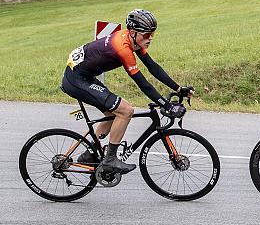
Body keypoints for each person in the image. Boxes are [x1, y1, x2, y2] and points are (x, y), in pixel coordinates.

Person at [61, 9, 192, 174]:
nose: (150, 38)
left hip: (83, 75)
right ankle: (109, 161)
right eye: (146, 35)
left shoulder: (133, 40)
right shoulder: (123, 47)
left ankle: (90, 153)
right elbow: (143, 84)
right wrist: (165, 105)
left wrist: (179, 88)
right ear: (132, 32)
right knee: (125, 111)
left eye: (152, 34)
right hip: (76, 80)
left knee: (112, 113)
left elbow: (153, 67)